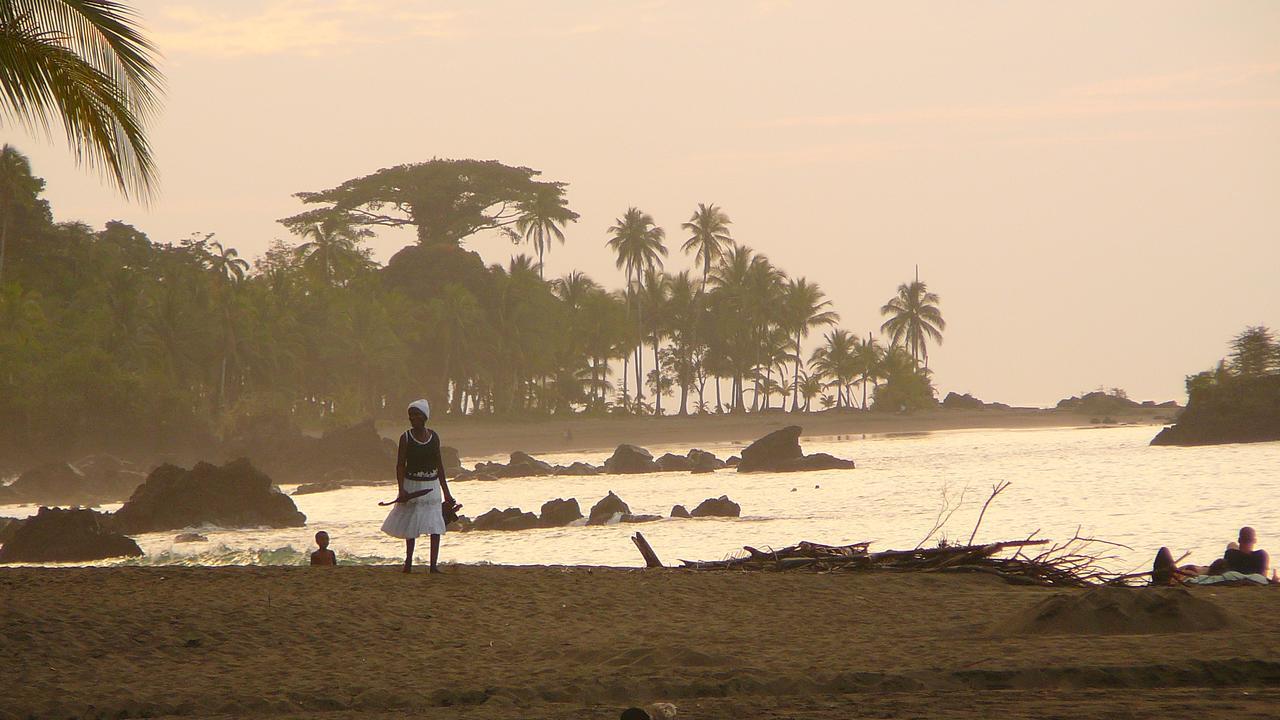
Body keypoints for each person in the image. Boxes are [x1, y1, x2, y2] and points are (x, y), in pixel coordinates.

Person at [381, 399, 454, 573]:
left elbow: (439, 464)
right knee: (411, 525)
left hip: (432, 485)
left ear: (424, 417)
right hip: (412, 484)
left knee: (435, 526)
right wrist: (401, 489)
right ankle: (408, 562)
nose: (413, 418)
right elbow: (400, 465)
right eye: (411, 415)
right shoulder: (405, 437)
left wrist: (447, 493)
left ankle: (433, 566)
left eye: (416, 415)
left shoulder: (434, 436)